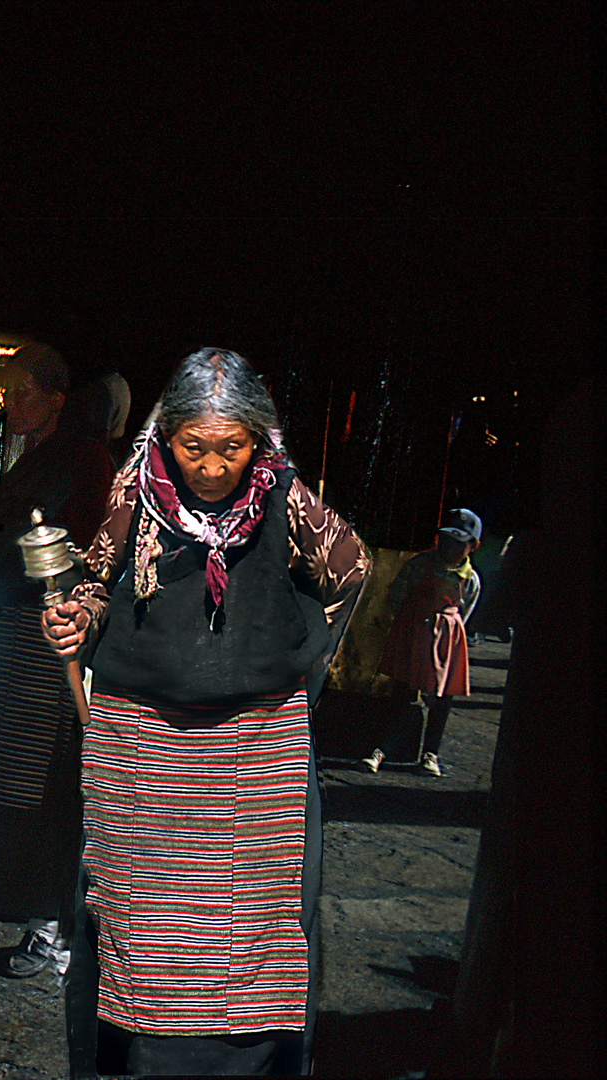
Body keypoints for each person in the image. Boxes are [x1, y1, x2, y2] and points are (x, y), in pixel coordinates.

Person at [41, 347, 370, 1076]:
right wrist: (80, 618)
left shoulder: (283, 496)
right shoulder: (139, 492)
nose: (214, 467)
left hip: (258, 753)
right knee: (139, 924)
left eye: (232, 447)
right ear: (168, 435)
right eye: (196, 447)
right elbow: (99, 579)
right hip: (144, 751)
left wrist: (300, 665)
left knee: (256, 925)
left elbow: (352, 567)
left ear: (258, 438)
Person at [0, 344, 115, 978]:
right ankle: (0, 891)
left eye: (23, 392)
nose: (9, 402)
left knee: (44, 779)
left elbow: (82, 550)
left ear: (55, 401)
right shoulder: (13, 452)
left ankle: (49, 924)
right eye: (6, 390)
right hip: (10, 631)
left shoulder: (85, 460)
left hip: (51, 642)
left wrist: (14, 560)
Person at [364, 509, 482, 778]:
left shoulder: (470, 579)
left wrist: (447, 628)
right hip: (414, 633)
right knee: (403, 694)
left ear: (473, 545)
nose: (451, 547)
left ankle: (431, 753)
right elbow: (398, 593)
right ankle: (381, 750)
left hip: (446, 642)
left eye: (459, 541)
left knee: (441, 699)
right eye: (446, 539)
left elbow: (466, 609)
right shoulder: (420, 565)